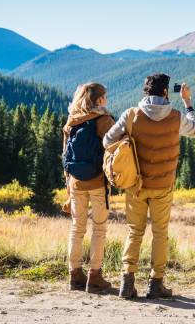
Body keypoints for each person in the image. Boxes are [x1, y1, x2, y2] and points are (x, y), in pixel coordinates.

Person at [103, 73, 195, 299]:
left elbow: (107, 140)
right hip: (163, 186)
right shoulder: (176, 117)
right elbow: (194, 129)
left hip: (136, 185)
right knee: (160, 233)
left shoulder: (131, 115)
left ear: (145, 92)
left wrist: (128, 139)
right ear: (166, 92)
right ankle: (156, 284)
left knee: (134, 232)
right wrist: (188, 102)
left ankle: (127, 282)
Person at [62, 83, 115, 293]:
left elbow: (65, 155)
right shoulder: (103, 120)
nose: (107, 101)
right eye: (105, 97)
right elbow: (115, 149)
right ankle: (94, 276)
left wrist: (68, 184)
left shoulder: (71, 122)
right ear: (99, 100)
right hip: (97, 181)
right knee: (99, 229)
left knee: (77, 228)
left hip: (75, 182)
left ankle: (74, 275)